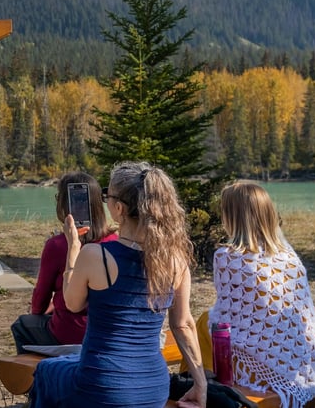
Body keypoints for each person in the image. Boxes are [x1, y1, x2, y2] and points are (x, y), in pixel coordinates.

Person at [29, 162, 206, 408]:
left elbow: (71, 303)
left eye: (107, 196)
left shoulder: (95, 255)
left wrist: (73, 249)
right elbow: (183, 325)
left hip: (102, 383)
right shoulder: (175, 260)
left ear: (119, 208)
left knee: (47, 372)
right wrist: (200, 384)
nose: (105, 201)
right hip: (154, 386)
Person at [208, 182, 315, 408]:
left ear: (232, 216)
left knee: (206, 325)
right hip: (299, 362)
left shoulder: (227, 257)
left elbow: (226, 317)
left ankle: (198, 388)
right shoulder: (286, 254)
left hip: (256, 370)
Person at [12, 172, 118, 349]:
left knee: (23, 325)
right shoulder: (115, 242)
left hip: (69, 333)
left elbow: (41, 296)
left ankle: (34, 374)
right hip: (107, 333)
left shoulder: (57, 245)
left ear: (62, 204)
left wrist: (39, 312)